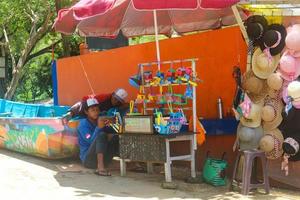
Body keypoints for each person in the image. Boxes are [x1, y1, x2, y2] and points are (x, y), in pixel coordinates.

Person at [77, 96, 119, 176]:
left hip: (105, 160)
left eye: (97, 110)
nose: (96, 112)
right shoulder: (83, 124)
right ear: (86, 112)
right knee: (102, 135)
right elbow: (90, 141)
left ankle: (128, 162)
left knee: (116, 137)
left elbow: (111, 131)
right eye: (92, 110)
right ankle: (100, 168)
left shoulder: (99, 121)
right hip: (89, 161)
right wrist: (99, 127)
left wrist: (114, 123)